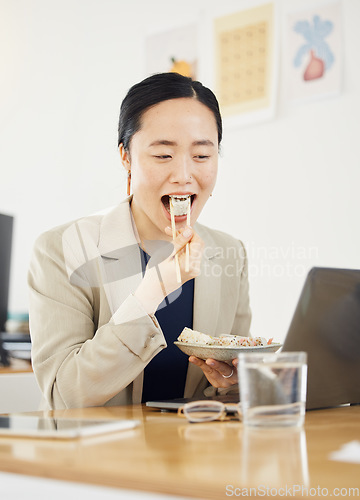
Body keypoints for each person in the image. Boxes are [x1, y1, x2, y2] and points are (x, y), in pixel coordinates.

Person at [28, 72, 251, 410]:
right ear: (126, 157)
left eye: (202, 156)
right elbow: (64, 395)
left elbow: (233, 389)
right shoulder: (61, 249)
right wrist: (153, 290)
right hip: (99, 458)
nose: (184, 175)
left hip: (199, 455)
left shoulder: (230, 252)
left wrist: (231, 384)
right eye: (163, 155)